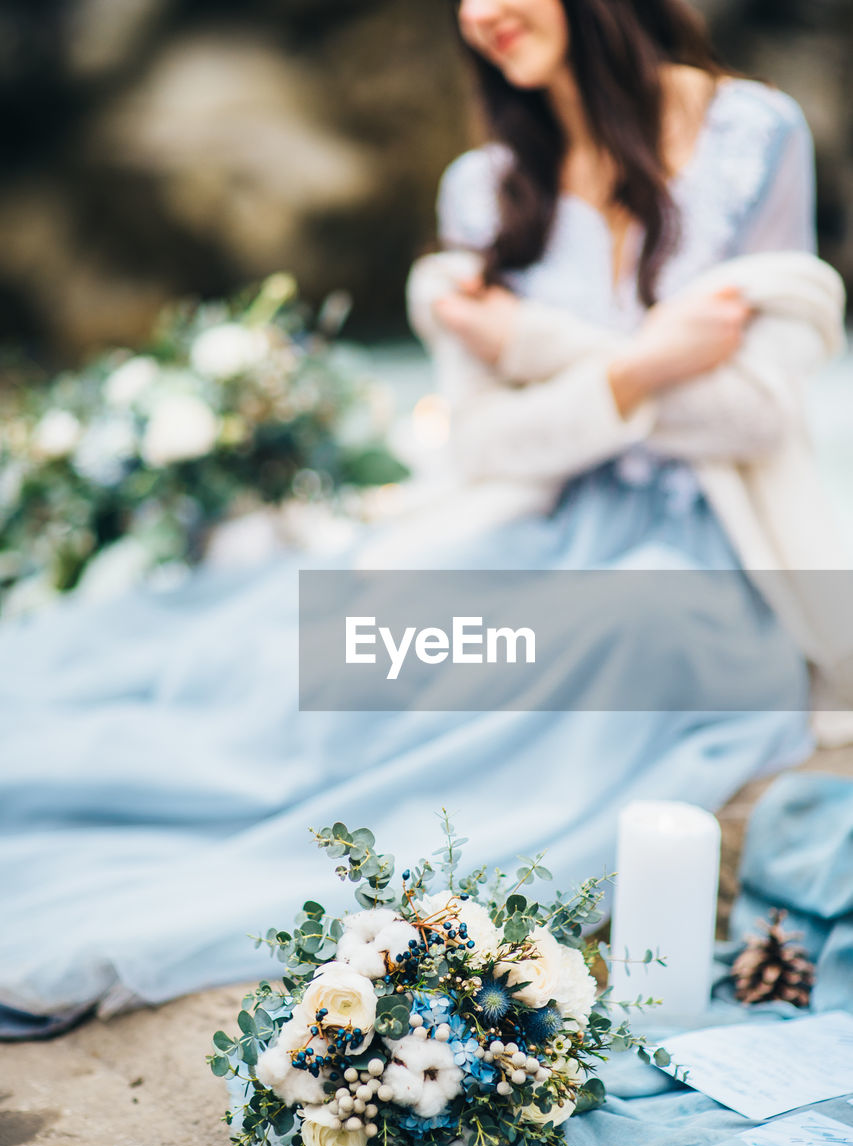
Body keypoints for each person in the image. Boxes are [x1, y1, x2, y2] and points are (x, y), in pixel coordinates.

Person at [0, 0, 845, 1034]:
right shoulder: (484, 188)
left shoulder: (751, 134)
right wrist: (645, 364)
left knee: (575, 665)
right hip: (530, 519)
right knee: (319, 662)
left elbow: (753, 410)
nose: (482, 12)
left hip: (699, 556)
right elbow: (490, 445)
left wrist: (533, 342)